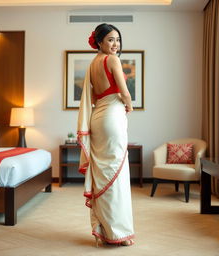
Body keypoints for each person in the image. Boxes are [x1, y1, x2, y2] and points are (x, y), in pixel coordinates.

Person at [77, 23, 134, 247]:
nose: (115, 44)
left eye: (117, 40)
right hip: (112, 117)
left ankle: (104, 228)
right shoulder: (112, 60)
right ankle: (117, 233)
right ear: (99, 42)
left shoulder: (92, 64)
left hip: (98, 118)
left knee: (104, 173)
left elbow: (95, 96)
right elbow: (124, 91)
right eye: (110, 39)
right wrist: (129, 105)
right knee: (116, 175)